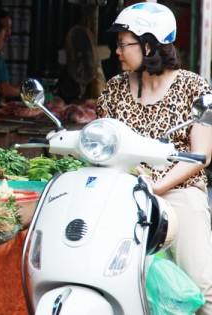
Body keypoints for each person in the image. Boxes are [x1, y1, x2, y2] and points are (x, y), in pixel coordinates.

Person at [97, 3, 212, 314]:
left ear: (148, 44)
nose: (117, 51)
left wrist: (159, 186)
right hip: (122, 193)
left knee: (202, 287)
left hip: (177, 191)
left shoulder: (195, 88)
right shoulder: (114, 89)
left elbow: (200, 156)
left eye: (123, 43)